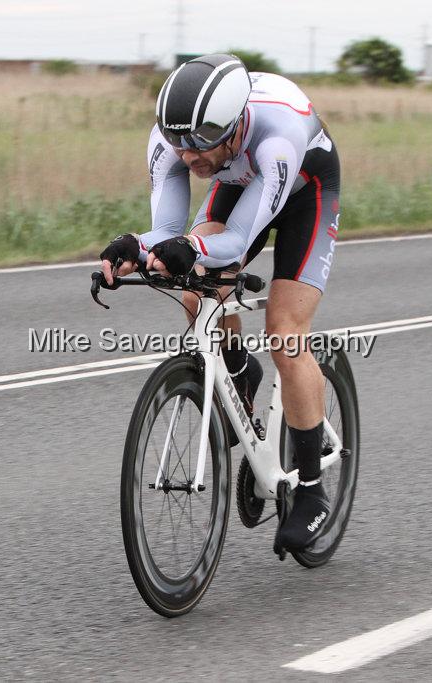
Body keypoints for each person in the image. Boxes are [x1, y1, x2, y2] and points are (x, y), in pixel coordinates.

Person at [99, 54, 340, 551]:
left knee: (285, 334)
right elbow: (166, 234)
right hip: (241, 186)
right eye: (179, 147)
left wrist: (188, 249)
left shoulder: (275, 138)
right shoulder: (177, 138)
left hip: (305, 190)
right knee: (193, 285)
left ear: (233, 128)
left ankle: (313, 491)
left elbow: (233, 241)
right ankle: (237, 371)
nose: (189, 160)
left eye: (201, 148)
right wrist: (133, 248)